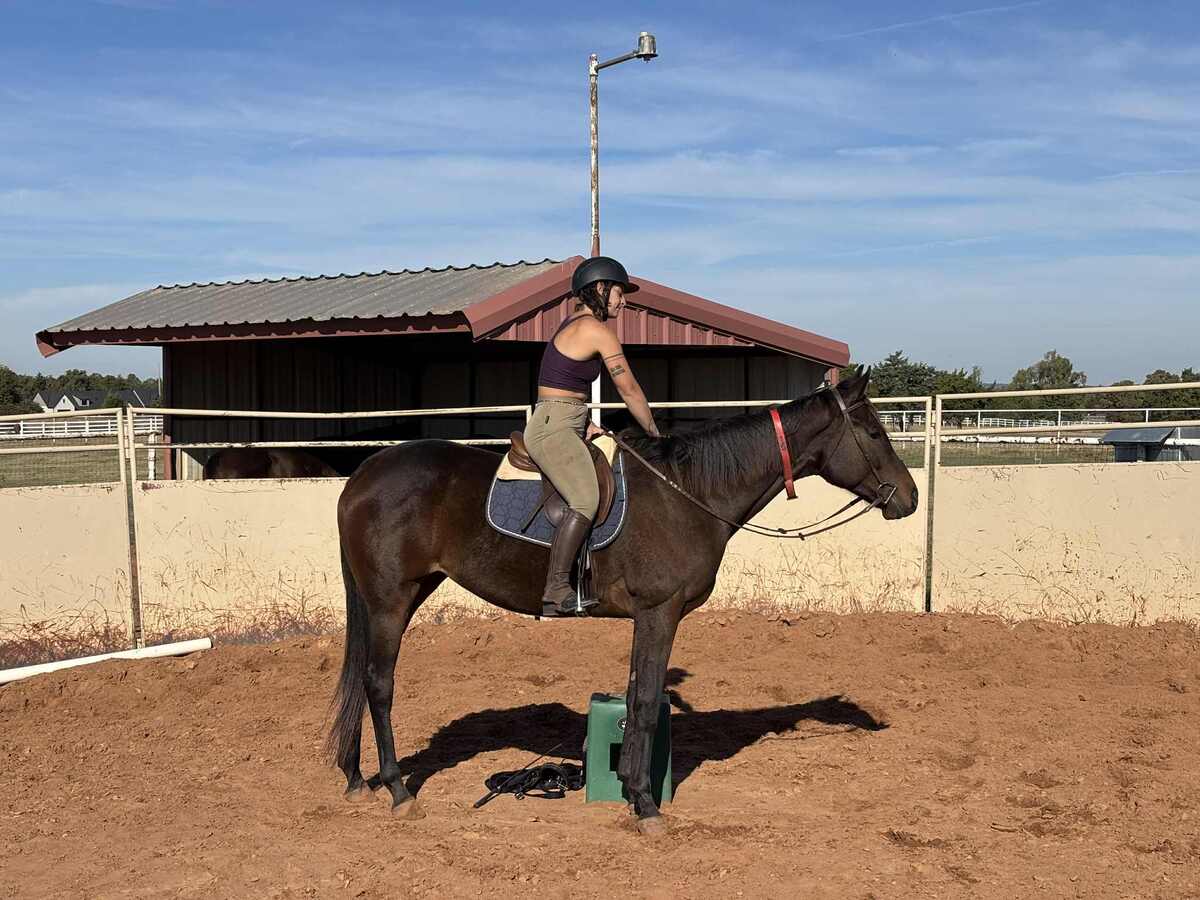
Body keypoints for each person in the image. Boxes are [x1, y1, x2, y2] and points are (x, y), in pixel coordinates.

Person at [523, 256, 661, 615]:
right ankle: (555, 590)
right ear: (600, 289)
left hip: (566, 420)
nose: (623, 301)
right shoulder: (597, 330)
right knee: (586, 499)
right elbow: (629, 389)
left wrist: (584, 423)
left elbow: (562, 384)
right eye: (619, 292)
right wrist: (654, 434)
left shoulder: (573, 324)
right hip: (554, 425)